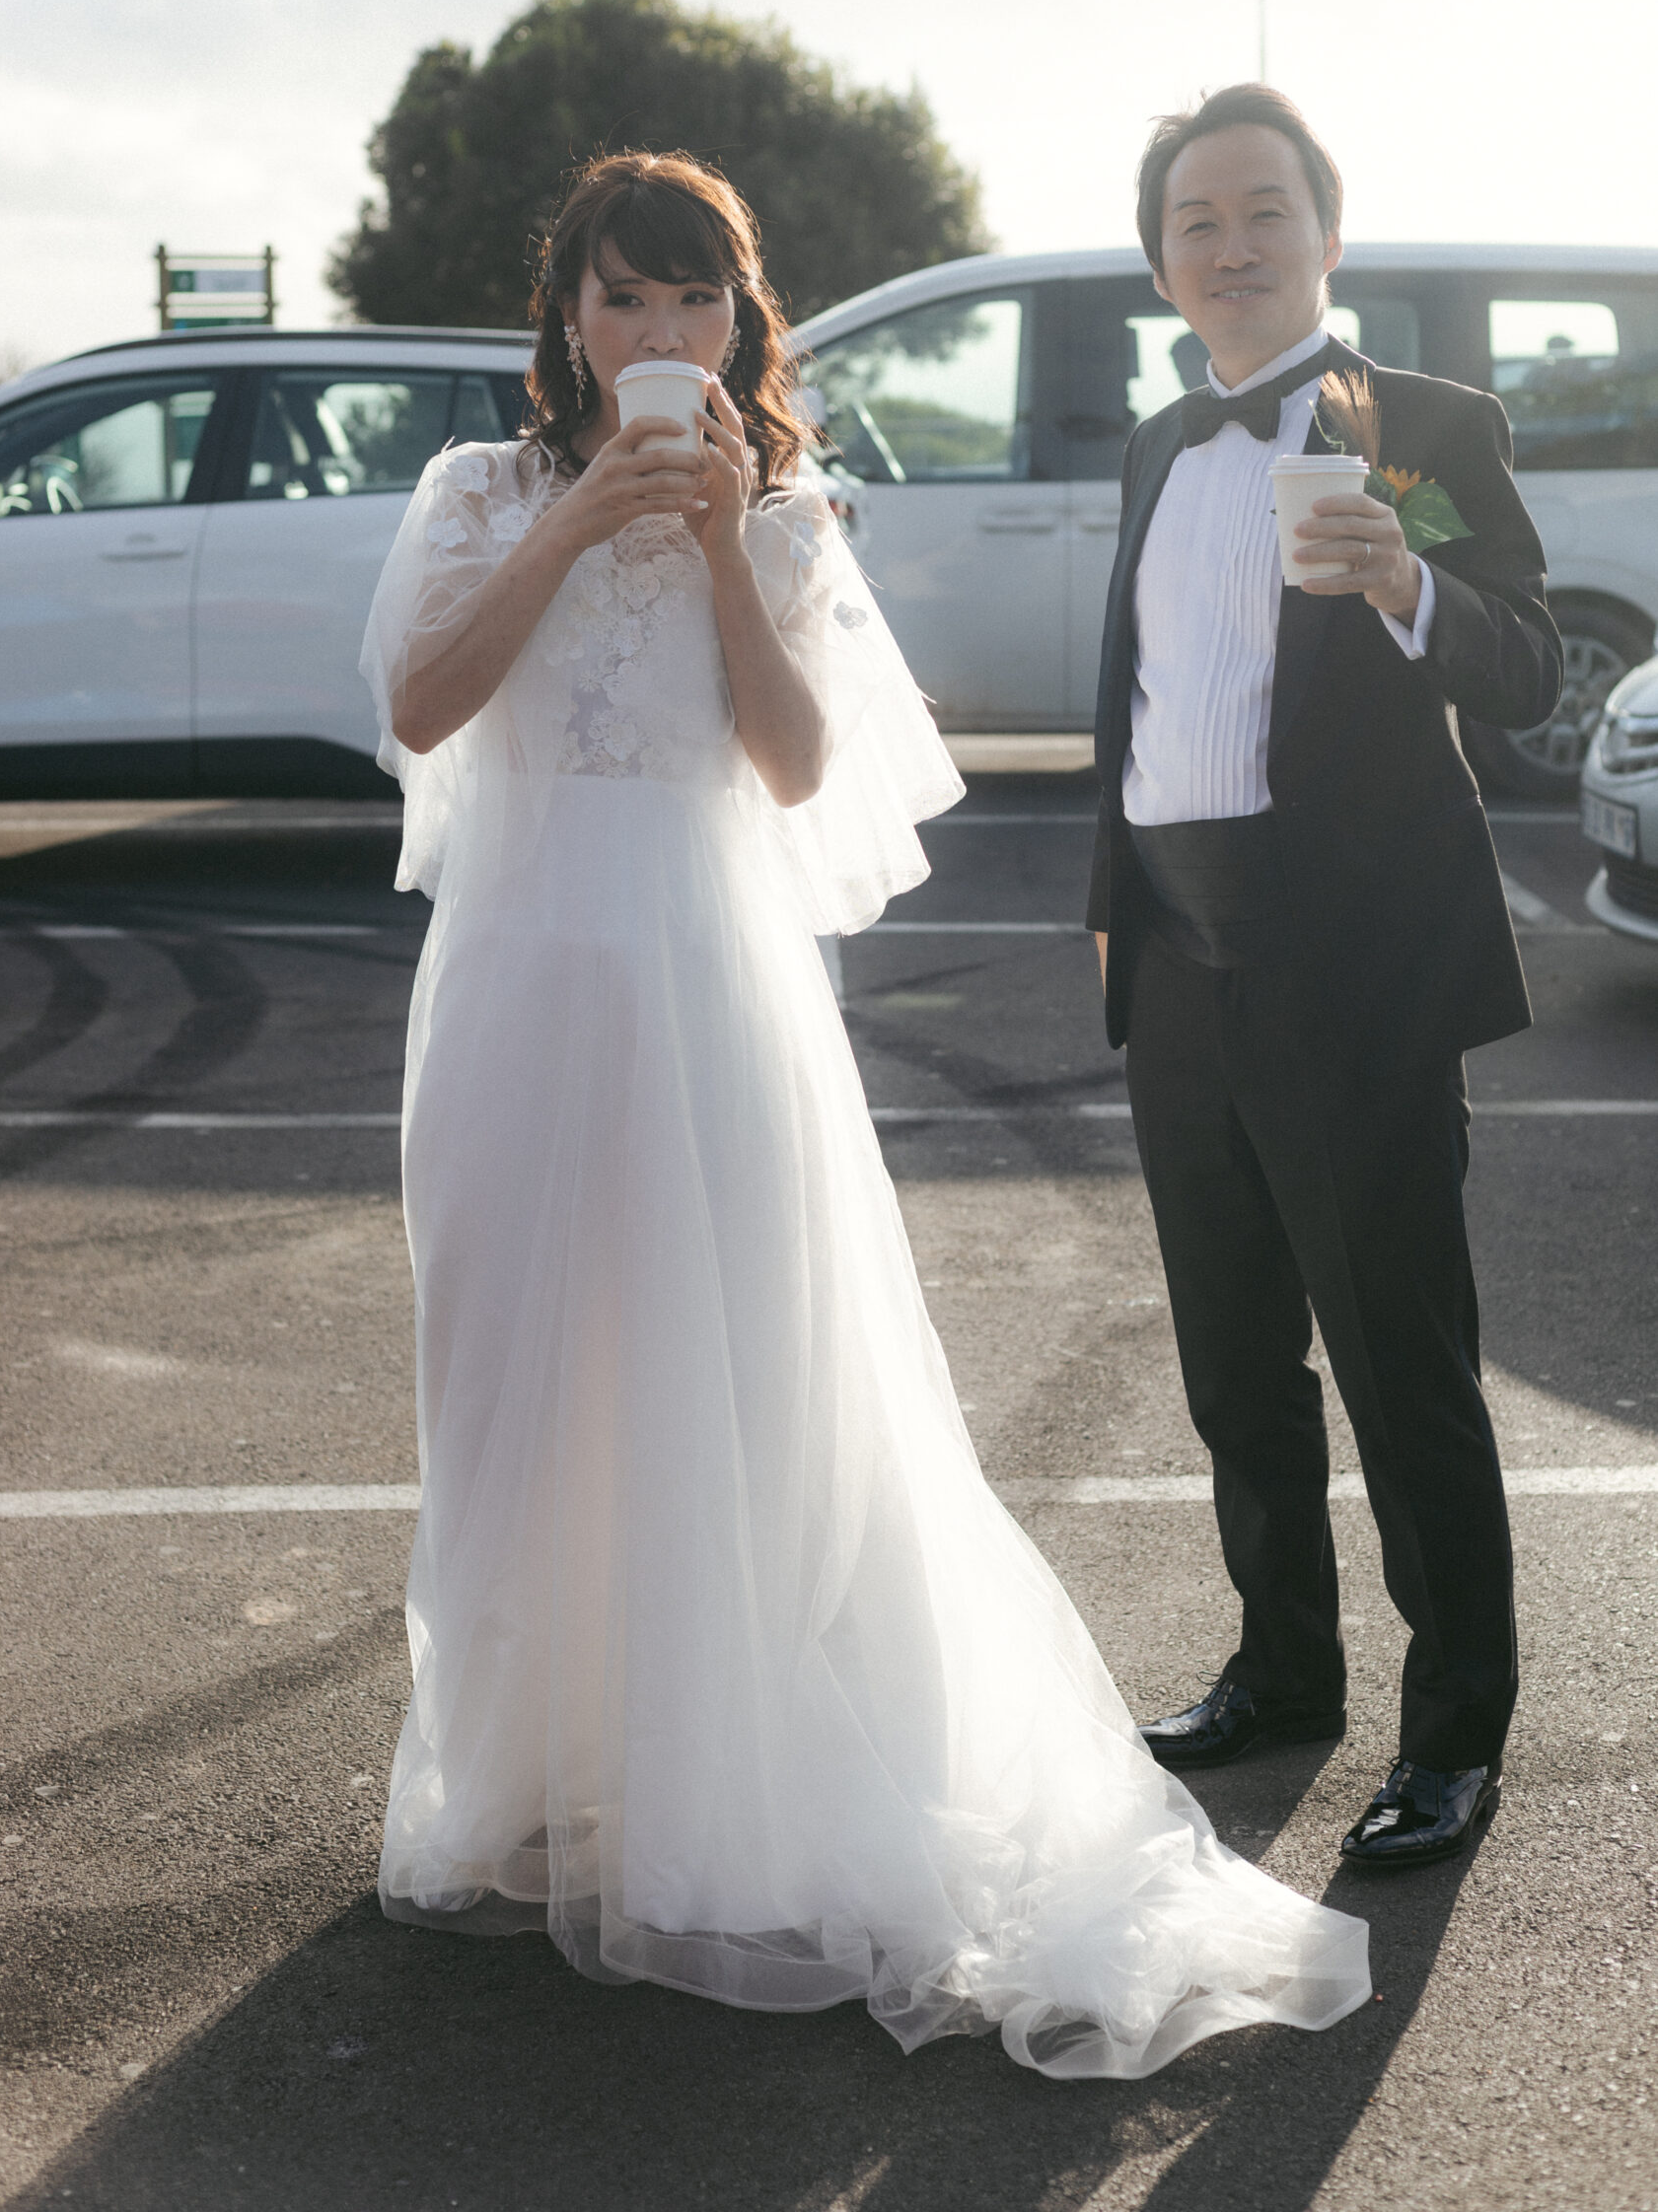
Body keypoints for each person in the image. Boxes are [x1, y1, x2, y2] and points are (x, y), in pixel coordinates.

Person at [363, 147, 1369, 2078]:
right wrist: (574, 522)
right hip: (505, 996)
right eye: (621, 300)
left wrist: (727, 545)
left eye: (695, 304)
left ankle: (712, 1788)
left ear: (742, 326)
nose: (659, 336)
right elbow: (421, 705)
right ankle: (526, 1769)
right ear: (563, 317)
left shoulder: (794, 507)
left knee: (726, 1375)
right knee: (510, 1373)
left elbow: (797, 759)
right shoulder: (475, 491)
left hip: (708, 991)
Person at [1086, 87, 1563, 1868]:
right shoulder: (1153, 445)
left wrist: (1409, 587)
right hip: (1181, 970)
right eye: (1197, 219)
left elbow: (1520, 663)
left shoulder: (1431, 427)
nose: (1233, 243)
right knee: (1234, 1367)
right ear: (1162, 263)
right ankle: (1284, 1673)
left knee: (1399, 1362)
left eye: (1264, 209)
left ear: (1327, 233)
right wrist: (1119, 926)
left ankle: (1455, 1733)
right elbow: (1141, 707)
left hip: (1352, 969)